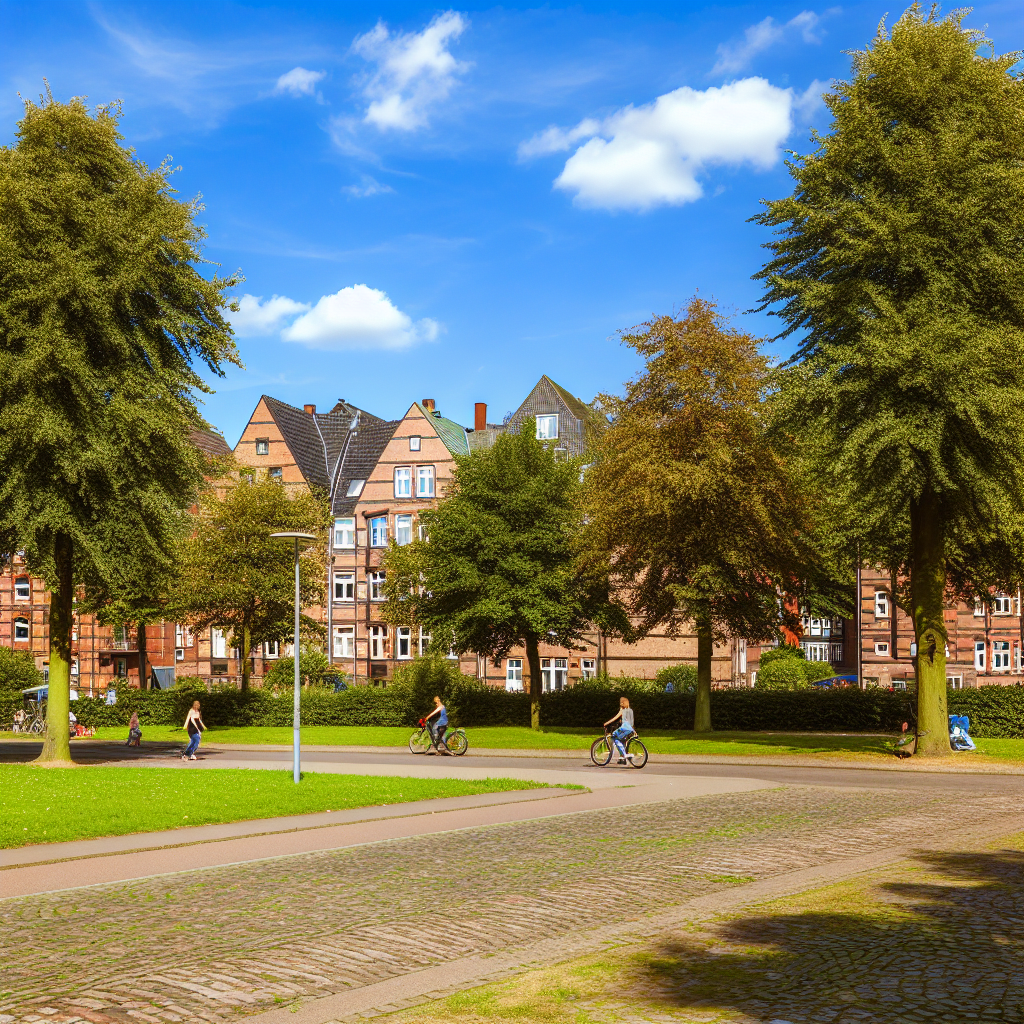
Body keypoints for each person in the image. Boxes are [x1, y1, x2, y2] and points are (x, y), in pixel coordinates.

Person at [604, 697, 636, 765]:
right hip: (630, 728)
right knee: (623, 740)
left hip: (624, 727)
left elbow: (615, 718)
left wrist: (606, 723)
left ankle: (624, 755)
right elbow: (631, 722)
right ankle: (622, 758)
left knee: (614, 736)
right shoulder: (630, 710)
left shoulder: (622, 710)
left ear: (622, 703)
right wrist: (634, 731)